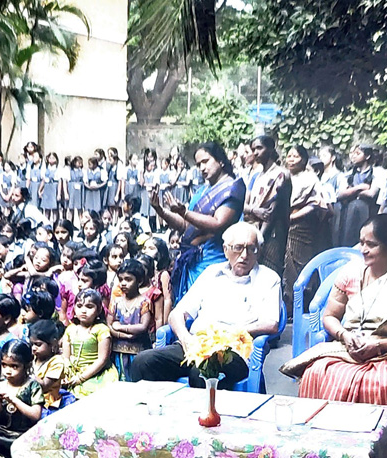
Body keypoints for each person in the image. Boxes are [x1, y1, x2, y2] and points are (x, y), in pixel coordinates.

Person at [283, 214, 387, 418]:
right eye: (361, 242)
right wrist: (344, 335)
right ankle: (323, 443)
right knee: (315, 372)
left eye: (371, 244)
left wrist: (380, 345)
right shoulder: (351, 273)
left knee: (377, 384)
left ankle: (380, 445)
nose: (362, 249)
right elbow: (330, 317)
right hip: (348, 348)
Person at [129, 222, 280, 390]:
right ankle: (159, 413)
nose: (244, 255)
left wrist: (235, 332)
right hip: (196, 344)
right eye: (238, 248)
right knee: (143, 363)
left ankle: (206, 416)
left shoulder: (268, 279)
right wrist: (185, 338)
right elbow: (176, 314)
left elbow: (271, 324)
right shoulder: (211, 273)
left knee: (202, 370)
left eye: (251, 248)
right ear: (225, 249)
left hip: (232, 351)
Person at [153, 141, 246, 302]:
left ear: (220, 160)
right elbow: (185, 225)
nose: (202, 168)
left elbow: (218, 223)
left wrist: (185, 212)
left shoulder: (231, 189)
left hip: (215, 260)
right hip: (193, 260)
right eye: (198, 164)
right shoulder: (202, 190)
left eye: (206, 161)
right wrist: (161, 210)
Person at [282, 144, 328, 310]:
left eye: (296, 156)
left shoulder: (310, 178)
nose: (291, 159)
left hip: (302, 226)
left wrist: (295, 216)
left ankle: (303, 302)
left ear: (303, 159)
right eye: (289, 156)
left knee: (300, 262)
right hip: (284, 223)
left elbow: (317, 204)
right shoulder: (284, 176)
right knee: (286, 263)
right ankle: (289, 304)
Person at [242, 135, 292, 278]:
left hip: (272, 233)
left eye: (259, 148)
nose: (255, 153)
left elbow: (271, 212)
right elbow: (244, 206)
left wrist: (260, 238)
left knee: (269, 274)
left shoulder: (281, 175)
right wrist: (254, 210)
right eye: (253, 149)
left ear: (270, 149)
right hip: (253, 230)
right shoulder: (256, 176)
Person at [63, 289, 118, 396]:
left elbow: (102, 360)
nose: (83, 311)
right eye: (79, 306)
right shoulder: (70, 329)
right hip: (73, 373)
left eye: (89, 307)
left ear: (98, 310)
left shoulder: (101, 329)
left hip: (97, 374)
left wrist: (80, 378)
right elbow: (66, 358)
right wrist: (66, 375)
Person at [108, 259, 152, 380]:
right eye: (120, 279)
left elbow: (143, 327)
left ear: (139, 281)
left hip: (139, 352)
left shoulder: (144, 302)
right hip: (118, 350)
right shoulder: (116, 301)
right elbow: (109, 325)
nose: (123, 283)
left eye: (128, 279)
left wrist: (121, 327)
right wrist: (125, 336)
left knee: (136, 380)